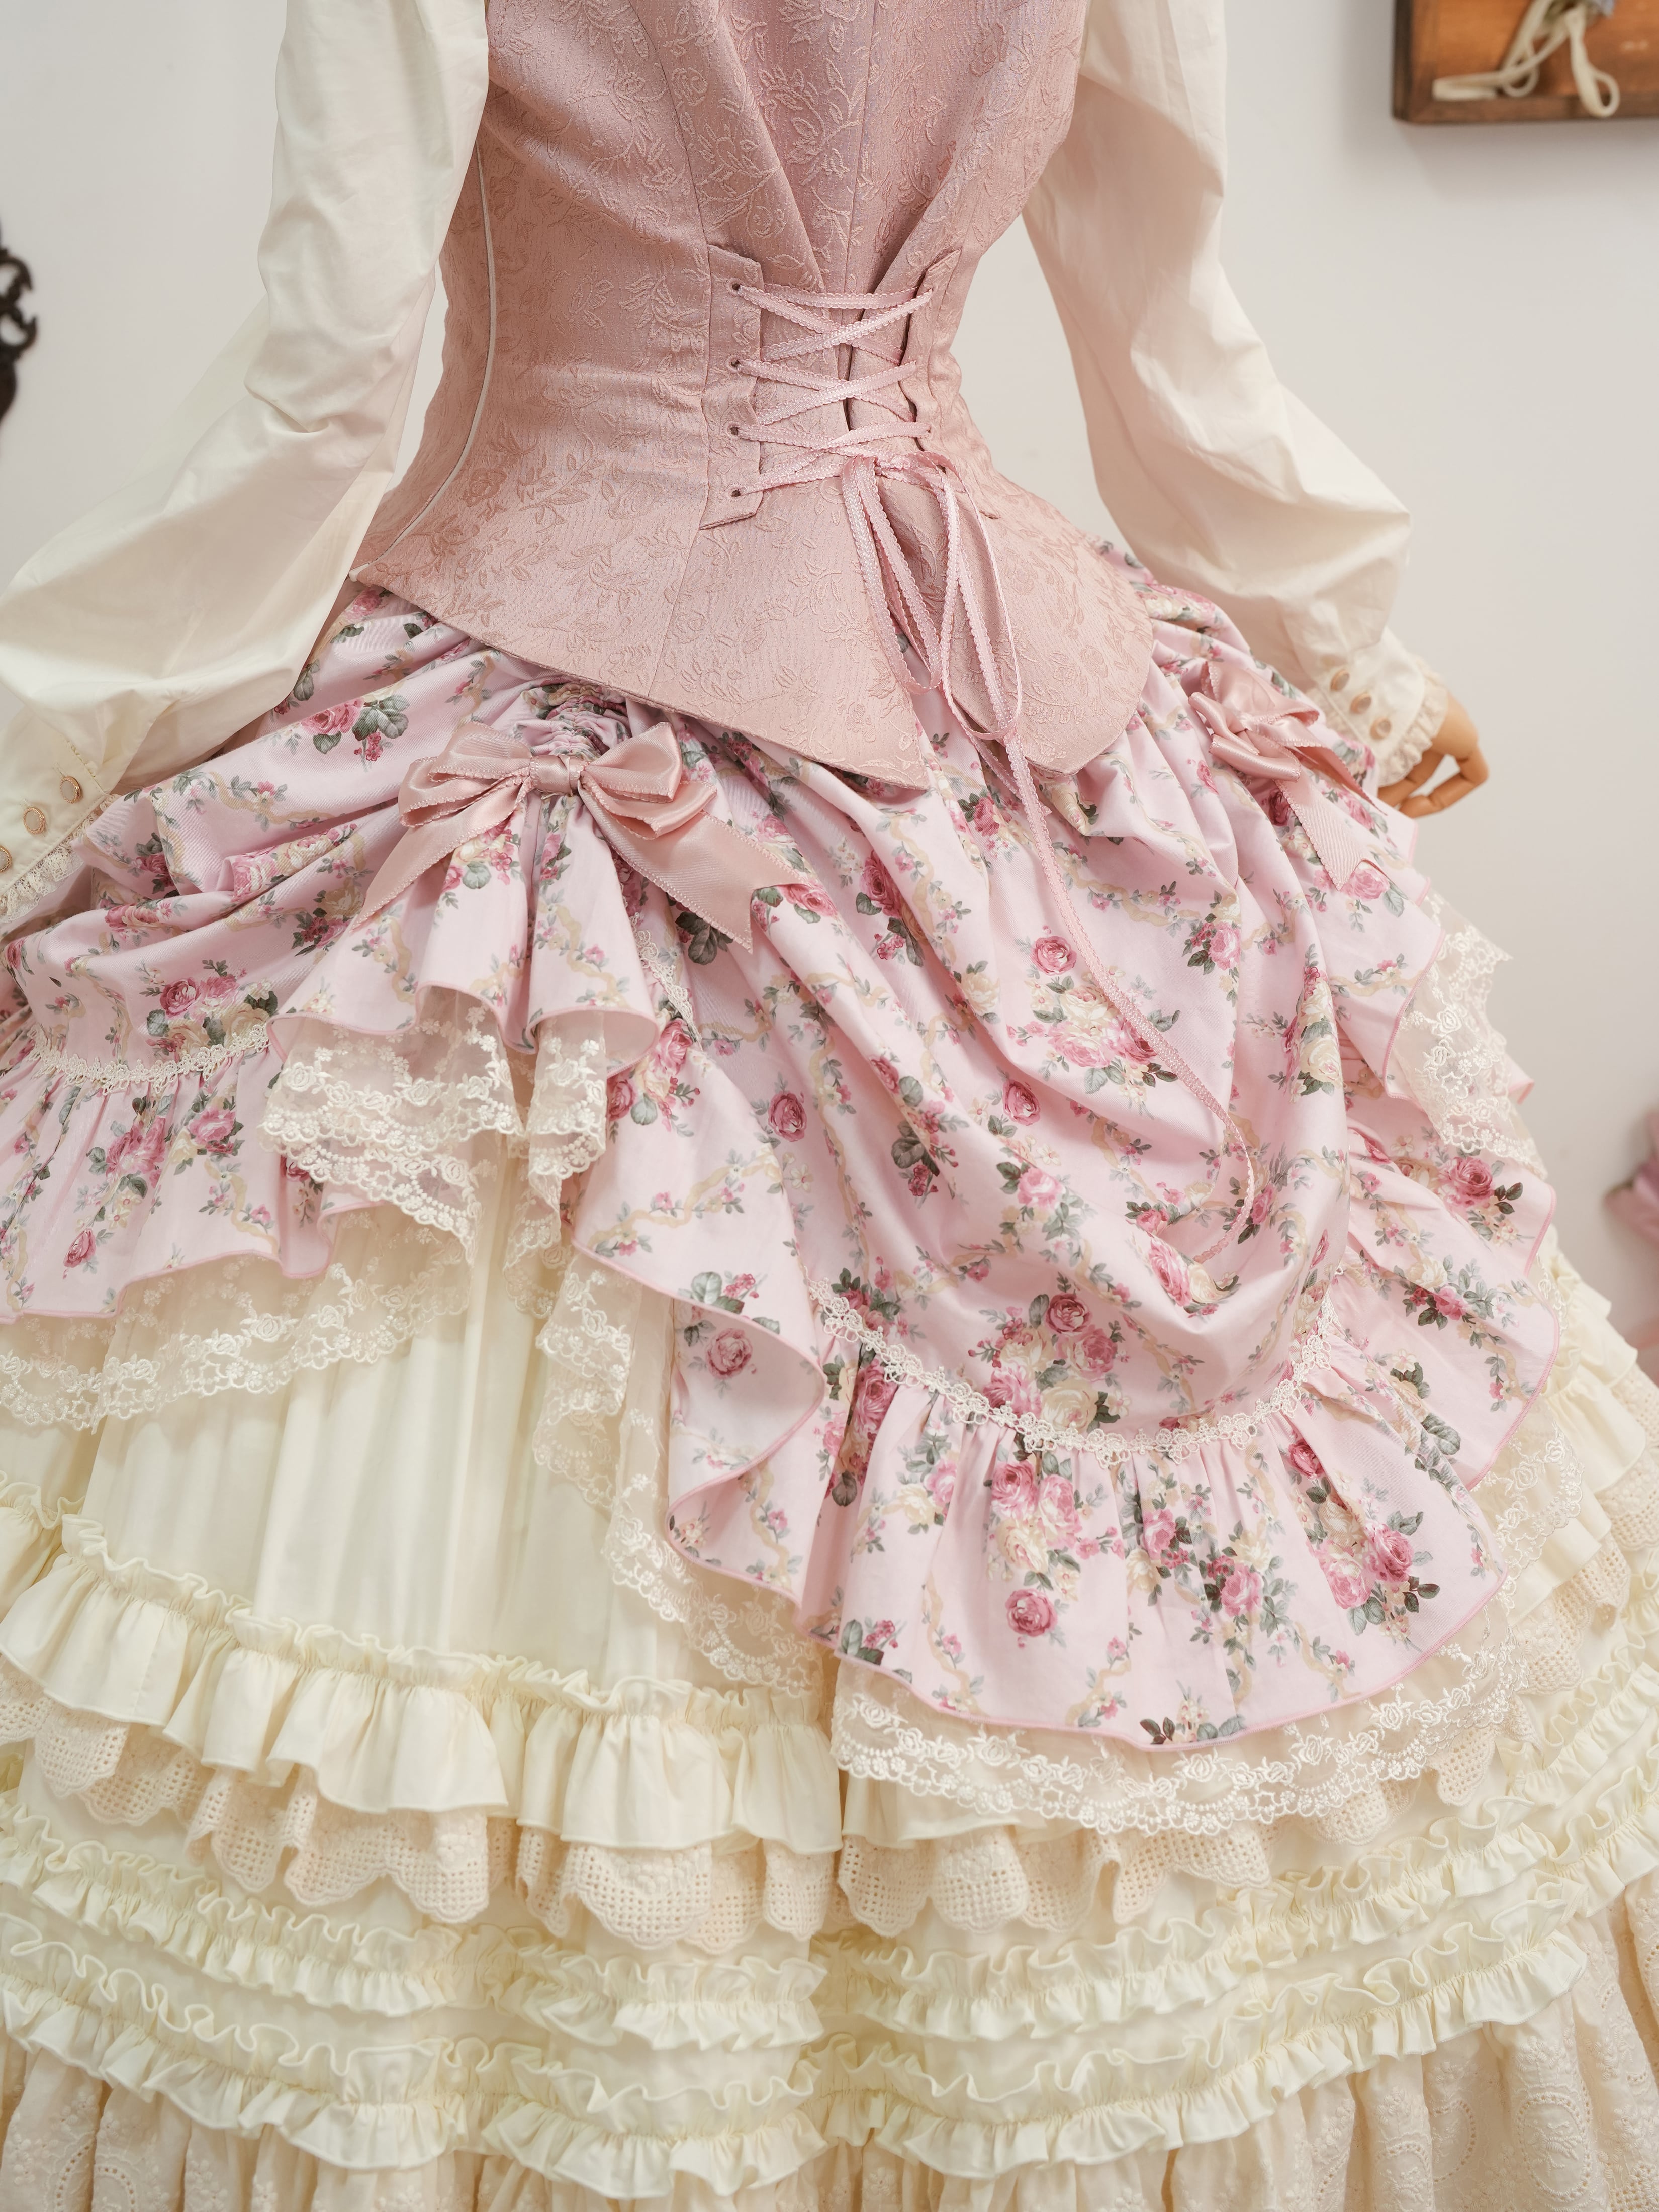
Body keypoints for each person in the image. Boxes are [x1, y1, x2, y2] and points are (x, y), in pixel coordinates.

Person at [0, 4, 1651, 2205]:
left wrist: (48, 742)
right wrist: (1341, 642)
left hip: (552, 710)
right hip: (999, 711)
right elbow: (1166, 317)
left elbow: (325, 391)